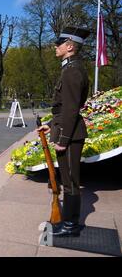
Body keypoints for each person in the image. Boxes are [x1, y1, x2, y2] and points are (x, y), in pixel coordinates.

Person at [38, 27, 90, 238]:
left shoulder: (72, 70)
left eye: (59, 44)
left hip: (70, 134)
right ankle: (68, 221)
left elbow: (71, 108)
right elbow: (64, 106)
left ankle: (70, 225)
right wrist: (51, 123)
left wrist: (63, 138)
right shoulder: (70, 68)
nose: (55, 47)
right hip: (66, 129)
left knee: (69, 181)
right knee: (67, 179)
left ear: (69, 46)